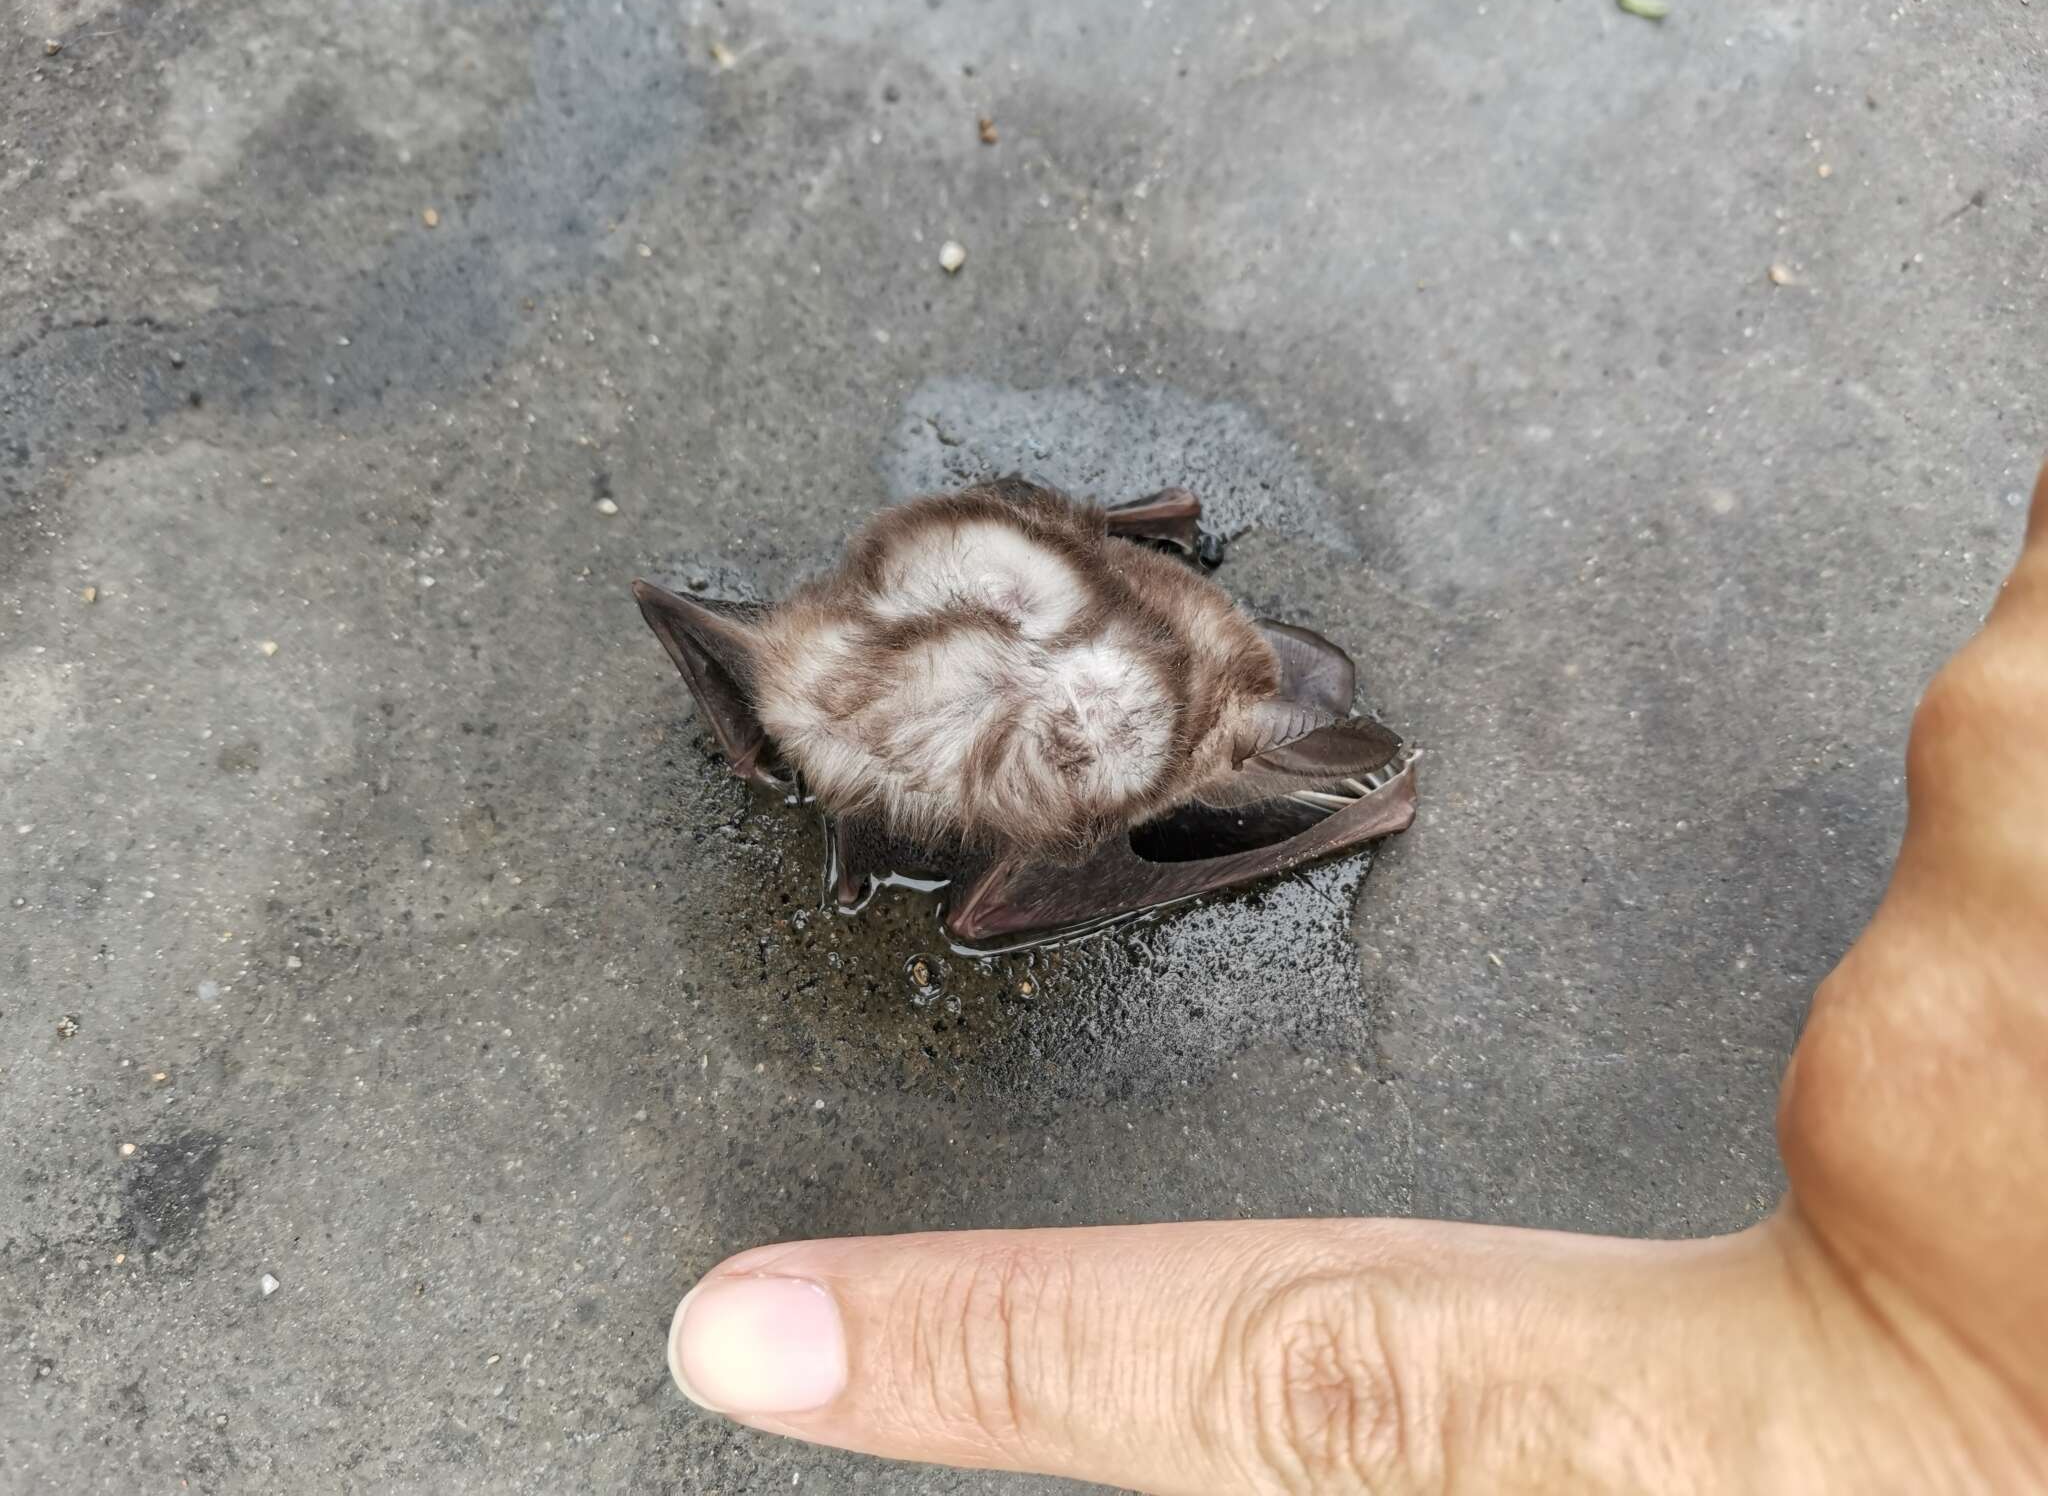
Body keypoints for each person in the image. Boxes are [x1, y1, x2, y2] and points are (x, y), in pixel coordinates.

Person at [665, 464, 2048, 1493]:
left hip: (875, 652)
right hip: (1011, 730)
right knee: (1053, 814)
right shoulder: (1118, 749)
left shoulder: (999, 591)